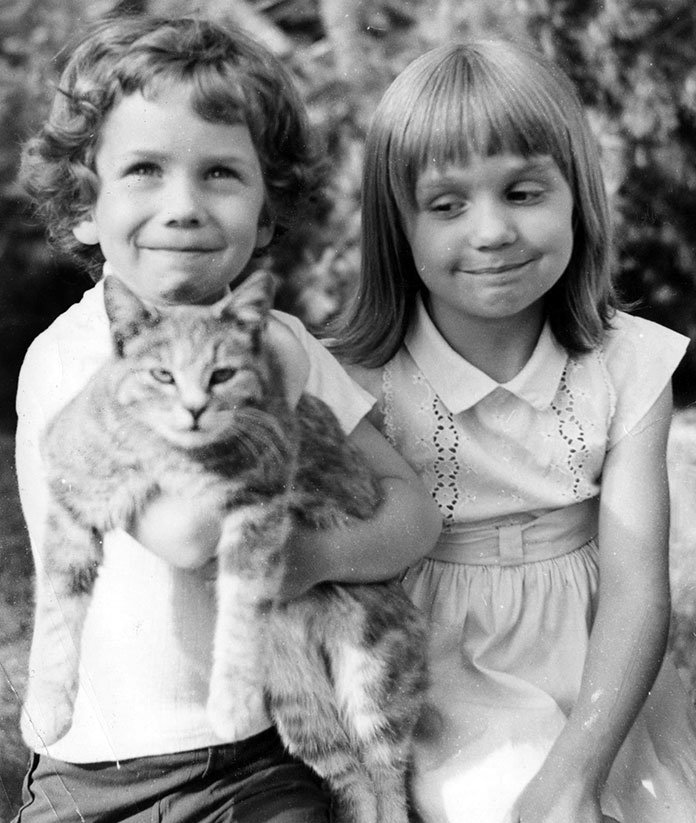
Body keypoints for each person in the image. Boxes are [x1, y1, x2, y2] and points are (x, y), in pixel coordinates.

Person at [12, 15, 442, 823]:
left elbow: (411, 509)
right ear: (82, 207)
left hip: (259, 754)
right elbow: (185, 536)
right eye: (144, 169)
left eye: (219, 174)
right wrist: (267, 392)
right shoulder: (72, 358)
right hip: (97, 772)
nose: (183, 207)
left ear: (267, 213)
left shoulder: (281, 341)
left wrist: (317, 556)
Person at [333, 39, 696, 823]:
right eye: (447, 204)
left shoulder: (629, 362)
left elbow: (638, 589)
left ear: (577, 196)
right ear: (397, 227)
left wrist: (575, 775)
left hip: (602, 668)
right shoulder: (357, 382)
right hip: (431, 668)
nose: (493, 230)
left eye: (524, 191)